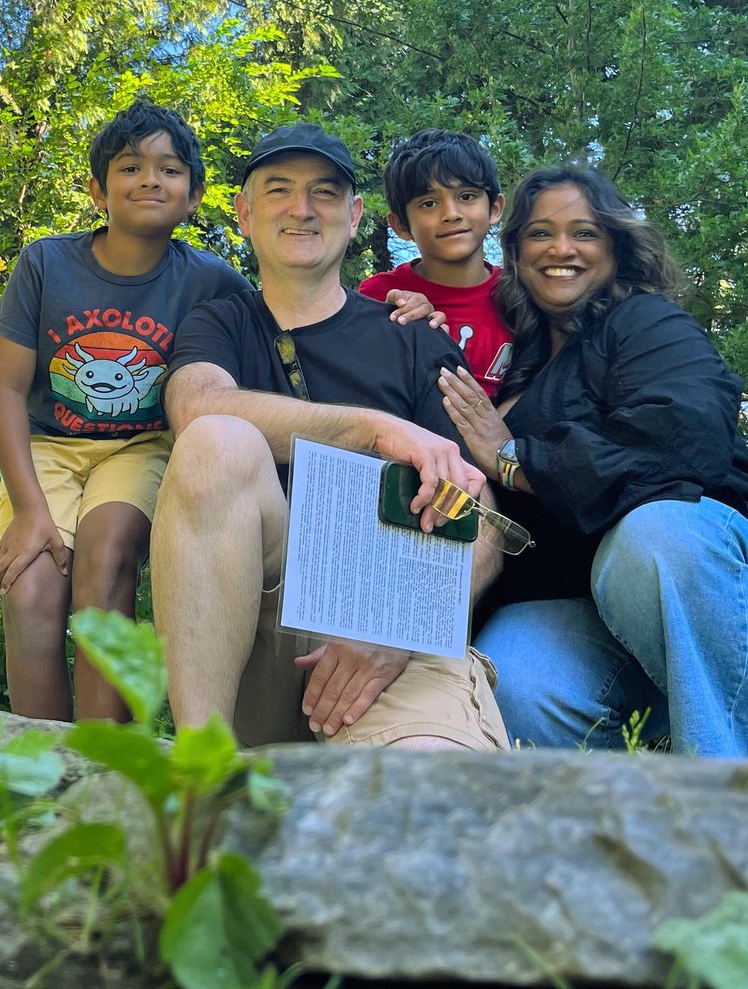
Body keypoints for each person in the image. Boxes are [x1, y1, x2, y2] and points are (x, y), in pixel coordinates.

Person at [437, 165, 748, 759]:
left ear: (616, 247)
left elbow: (684, 443)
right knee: (511, 677)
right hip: (594, 620)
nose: (561, 248)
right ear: (513, 254)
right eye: (539, 233)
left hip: (730, 590)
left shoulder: (648, 323)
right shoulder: (513, 365)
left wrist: (516, 459)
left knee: (655, 532)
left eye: (584, 233)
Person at [152, 122, 508, 750]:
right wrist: (373, 429)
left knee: (435, 794)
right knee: (217, 442)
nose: (301, 208)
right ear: (242, 213)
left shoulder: (414, 340)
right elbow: (195, 407)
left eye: (323, 191)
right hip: (253, 630)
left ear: (355, 213)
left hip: (388, 628)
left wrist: (395, 628)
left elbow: (481, 521)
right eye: (279, 189)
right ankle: (199, 776)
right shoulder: (219, 324)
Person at [0, 100, 251, 722]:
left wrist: (395, 299)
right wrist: (28, 511)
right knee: (30, 589)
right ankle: (43, 774)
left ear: (195, 193)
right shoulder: (46, 264)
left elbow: (288, 316)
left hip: (141, 448)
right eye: (130, 167)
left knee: (104, 565)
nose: (151, 180)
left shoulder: (211, 279)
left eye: (170, 169)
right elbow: (4, 393)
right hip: (47, 449)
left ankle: (107, 768)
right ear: (98, 189)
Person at [358, 128, 514, 396]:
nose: (451, 214)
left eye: (466, 196)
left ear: (495, 208)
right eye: (429, 203)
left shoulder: (520, 296)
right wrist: (389, 325)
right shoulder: (379, 296)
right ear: (400, 225)